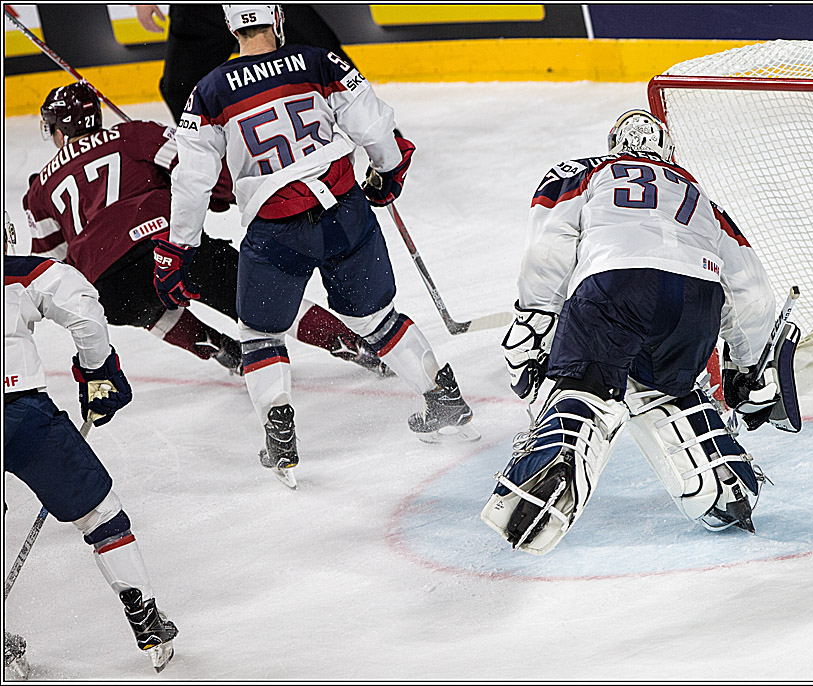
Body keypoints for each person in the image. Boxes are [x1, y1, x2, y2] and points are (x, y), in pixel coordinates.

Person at [161, 4, 477, 487]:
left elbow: (192, 182)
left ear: (230, 26)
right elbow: (373, 126)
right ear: (277, 19)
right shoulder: (319, 61)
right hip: (345, 214)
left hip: (276, 229)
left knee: (260, 336)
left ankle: (280, 435)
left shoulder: (207, 92)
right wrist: (389, 170)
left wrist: (180, 247)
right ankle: (443, 399)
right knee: (377, 320)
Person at [481, 110, 802, 555]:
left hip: (615, 282)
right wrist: (749, 368)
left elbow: (548, 245)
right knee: (663, 390)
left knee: (582, 386)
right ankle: (724, 487)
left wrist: (536, 317)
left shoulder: (582, 171)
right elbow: (749, 287)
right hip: (696, 300)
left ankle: (538, 490)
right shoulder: (698, 194)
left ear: (612, 142)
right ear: (668, 151)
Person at [23, 81, 391, 380]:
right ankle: (353, 344)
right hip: (165, 247)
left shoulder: (38, 188)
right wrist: (228, 194)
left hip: (106, 284)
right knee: (259, 301)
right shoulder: (132, 134)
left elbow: (49, 267)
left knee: (144, 306)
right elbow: (194, 165)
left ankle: (218, 347)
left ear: (58, 132)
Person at [3, 212, 178, 673]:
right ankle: (146, 617)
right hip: (20, 415)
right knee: (100, 515)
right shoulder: (19, 273)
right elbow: (82, 306)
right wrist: (98, 372)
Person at [134, 4, 360, 123]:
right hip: (199, 10)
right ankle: (215, 165)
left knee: (327, 58)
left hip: (265, 5)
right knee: (180, 88)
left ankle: (378, 128)